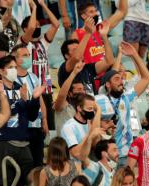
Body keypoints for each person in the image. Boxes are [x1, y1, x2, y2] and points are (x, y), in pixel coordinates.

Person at [0, 55, 40, 186]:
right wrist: (21, 102)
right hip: (4, 143)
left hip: (24, 143)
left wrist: (34, 99)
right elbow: (0, 114)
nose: (14, 70)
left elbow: (32, 116)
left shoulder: (20, 87)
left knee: (28, 185)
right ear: (1, 71)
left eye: (15, 67)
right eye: (10, 67)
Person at [97, 41, 149, 165]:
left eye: (121, 79)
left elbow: (147, 78)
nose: (121, 81)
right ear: (107, 84)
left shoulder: (126, 98)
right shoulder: (99, 100)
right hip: (107, 155)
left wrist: (134, 55)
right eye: (117, 79)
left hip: (127, 154)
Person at [19, 0, 59, 130]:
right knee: (36, 127)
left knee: (50, 128)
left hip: (46, 91)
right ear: (25, 29)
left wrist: (43, 5)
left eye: (38, 25)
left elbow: (56, 24)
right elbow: (31, 28)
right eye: (34, 25)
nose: (37, 27)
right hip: (33, 92)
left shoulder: (43, 43)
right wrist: (34, 8)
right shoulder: (23, 44)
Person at [11, 43, 48, 167]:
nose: (28, 58)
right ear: (15, 60)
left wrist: (45, 120)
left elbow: (41, 100)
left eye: (28, 55)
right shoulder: (11, 80)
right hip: (22, 127)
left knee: (38, 162)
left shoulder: (33, 77)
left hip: (37, 126)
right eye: (24, 55)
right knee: (26, 163)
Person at [57, 19, 114, 95]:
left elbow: (109, 61)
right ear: (67, 56)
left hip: (92, 103)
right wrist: (88, 33)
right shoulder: (65, 69)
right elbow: (77, 57)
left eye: (79, 48)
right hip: (75, 106)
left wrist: (104, 36)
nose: (81, 51)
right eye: (75, 50)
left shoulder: (87, 68)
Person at [60, 93, 100, 160]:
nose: (92, 112)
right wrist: (90, 135)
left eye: (94, 109)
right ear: (79, 108)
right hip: (74, 166)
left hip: (89, 163)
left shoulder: (89, 123)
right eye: (89, 109)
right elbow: (75, 153)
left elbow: (94, 144)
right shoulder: (69, 127)